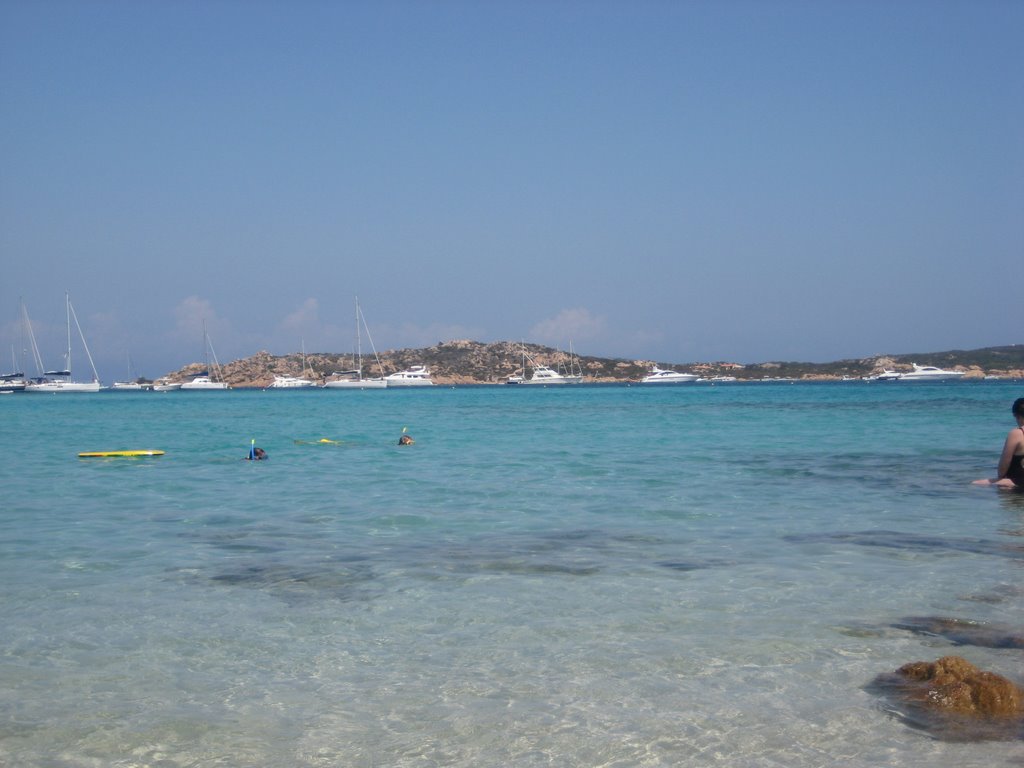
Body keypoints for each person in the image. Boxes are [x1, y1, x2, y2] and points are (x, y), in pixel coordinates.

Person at [973, 397, 1024, 488]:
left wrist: (1001, 478)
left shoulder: (1017, 433)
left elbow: (1002, 470)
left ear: (1016, 415)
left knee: (975, 484)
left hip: (1018, 482)